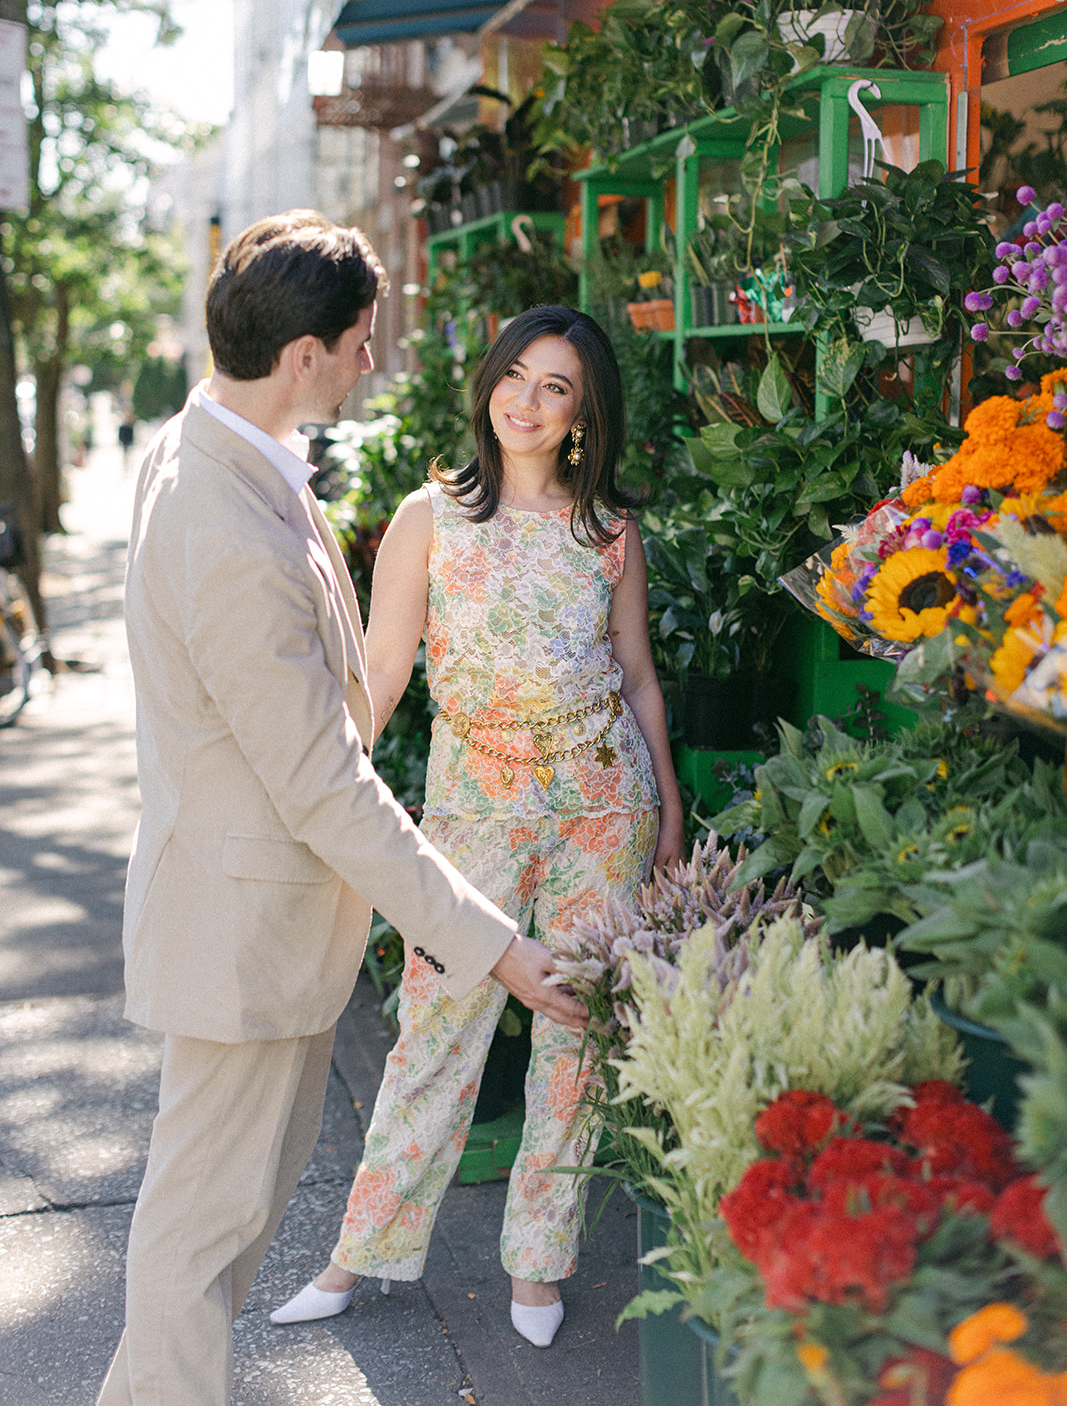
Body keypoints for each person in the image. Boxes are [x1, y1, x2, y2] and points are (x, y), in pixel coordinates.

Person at [96, 215, 585, 1406]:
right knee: (198, 1237)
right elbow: (320, 778)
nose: (374, 363)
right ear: (305, 352)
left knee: (225, 1224)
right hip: (239, 932)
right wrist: (497, 949)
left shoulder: (220, 447)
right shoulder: (220, 519)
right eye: (362, 343)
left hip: (255, 920)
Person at [271, 304, 684, 1348]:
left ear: (583, 410)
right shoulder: (429, 516)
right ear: (488, 380)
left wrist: (668, 805)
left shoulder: (608, 529)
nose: (527, 401)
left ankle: (538, 1265)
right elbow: (384, 673)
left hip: (605, 798)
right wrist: (323, 782)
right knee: (436, 1022)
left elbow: (636, 674)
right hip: (474, 804)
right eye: (516, 376)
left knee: (575, 1031)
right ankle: (356, 1252)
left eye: (555, 387)